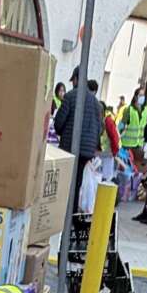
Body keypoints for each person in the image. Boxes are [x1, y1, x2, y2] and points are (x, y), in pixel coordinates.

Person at [53, 74, 106, 204]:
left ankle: (63, 212)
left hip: (69, 147)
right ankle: (73, 212)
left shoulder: (70, 96)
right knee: (77, 183)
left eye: (73, 80)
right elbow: (100, 129)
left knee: (65, 182)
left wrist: (62, 133)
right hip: (87, 152)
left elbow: (58, 123)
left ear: (76, 79)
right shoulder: (96, 103)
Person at [119, 86, 147, 171]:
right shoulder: (129, 110)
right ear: (135, 97)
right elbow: (121, 125)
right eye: (140, 95)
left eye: (143, 95)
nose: (142, 97)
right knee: (127, 167)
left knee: (136, 168)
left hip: (138, 145)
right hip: (128, 145)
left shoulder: (145, 110)